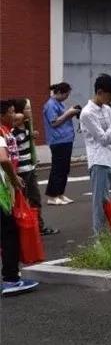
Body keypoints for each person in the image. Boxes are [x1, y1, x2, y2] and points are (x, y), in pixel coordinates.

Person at [79, 74, 111, 236]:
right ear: (99, 92)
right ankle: (99, 239)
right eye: (110, 95)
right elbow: (104, 139)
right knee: (100, 202)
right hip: (99, 161)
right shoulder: (87, 113)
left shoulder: (106, 109)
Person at [1, 99, 40, 297]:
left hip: (5, 191)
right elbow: (3, 159)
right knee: (9, 234)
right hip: (2, 194)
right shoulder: (1, 133)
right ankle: (10, 279)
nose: (14, 115)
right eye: (10, 112)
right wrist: (14, 178)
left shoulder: (7, 131)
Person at [12, 101, 56, 236]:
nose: (30, 111)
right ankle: (22, 229)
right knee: (22, 201)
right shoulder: (14, 130)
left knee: (35, 198)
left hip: (30, 168)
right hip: (21, 171)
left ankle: (38, 226)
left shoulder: (27, 126)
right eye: (27, 109)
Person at [42, 82, 79, 205]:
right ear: (58, 92)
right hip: (58, 140)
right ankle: (52, 196)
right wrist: (69, 113)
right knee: (58, 169)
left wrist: (71, 112)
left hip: (66, 139)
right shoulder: (50, 105)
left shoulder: (59, 103)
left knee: (64, 169)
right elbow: (54, 122)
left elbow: (62, 118)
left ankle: (60, 194)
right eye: (65, 95)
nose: (66, 97)